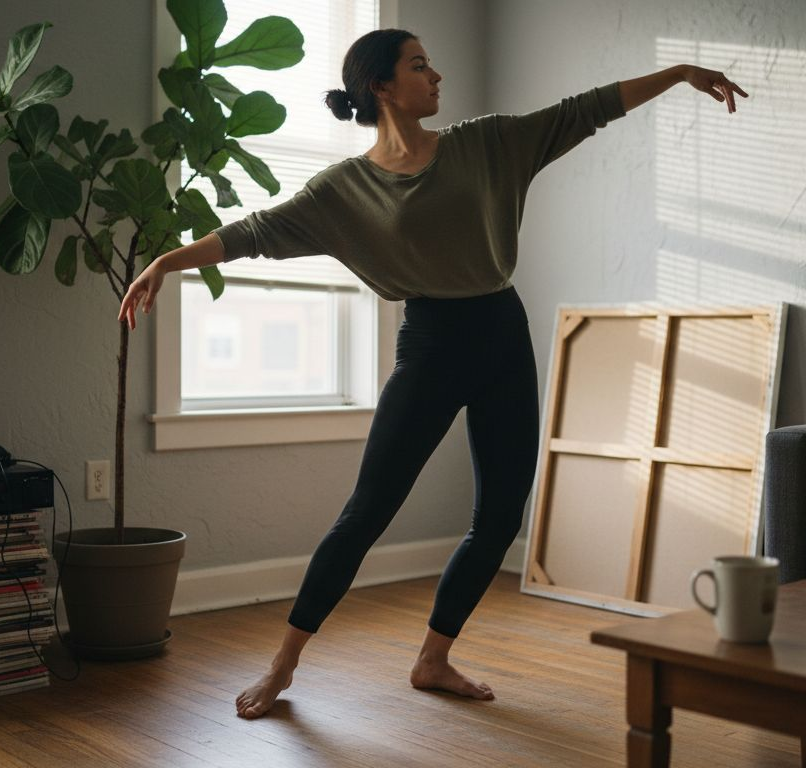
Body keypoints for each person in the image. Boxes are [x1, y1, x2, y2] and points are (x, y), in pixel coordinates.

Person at [118, 29, 746, 720]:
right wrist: (164, 263)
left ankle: (433, 656)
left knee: (500, 517)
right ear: (382, 86)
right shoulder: (345, 189)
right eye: (419, 66)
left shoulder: (489, 143)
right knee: (367, 513)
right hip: (432, 346)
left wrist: (679, 72)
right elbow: (258, 231)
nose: (436, 75)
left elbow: (584, 108)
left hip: (503, 334)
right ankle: (283, 664)